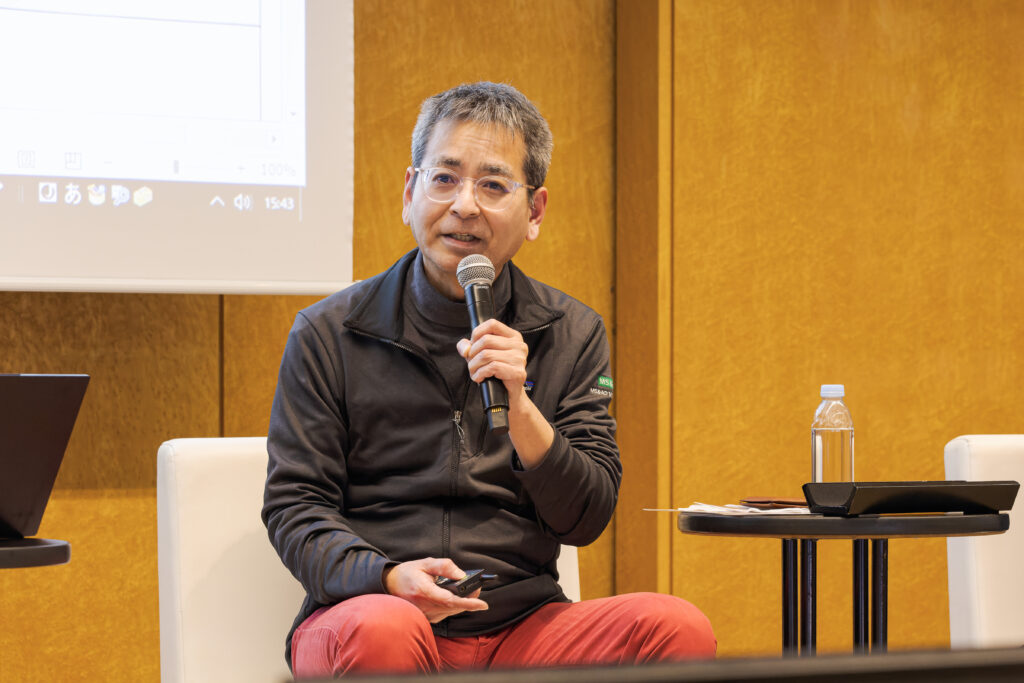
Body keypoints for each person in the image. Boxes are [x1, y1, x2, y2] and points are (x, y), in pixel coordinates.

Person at [262, 81, 715, 678]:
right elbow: (295, 507)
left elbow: (588, 515)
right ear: (409, 192)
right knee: (385, 632)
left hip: (522, 626)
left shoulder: (572, 332)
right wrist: (386, 576)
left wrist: (522, 408)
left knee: (675, 627)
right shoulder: (330, 332)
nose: (465, 205)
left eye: (494, 185)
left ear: (534, 213)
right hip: (373, 609)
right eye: (444, 178)